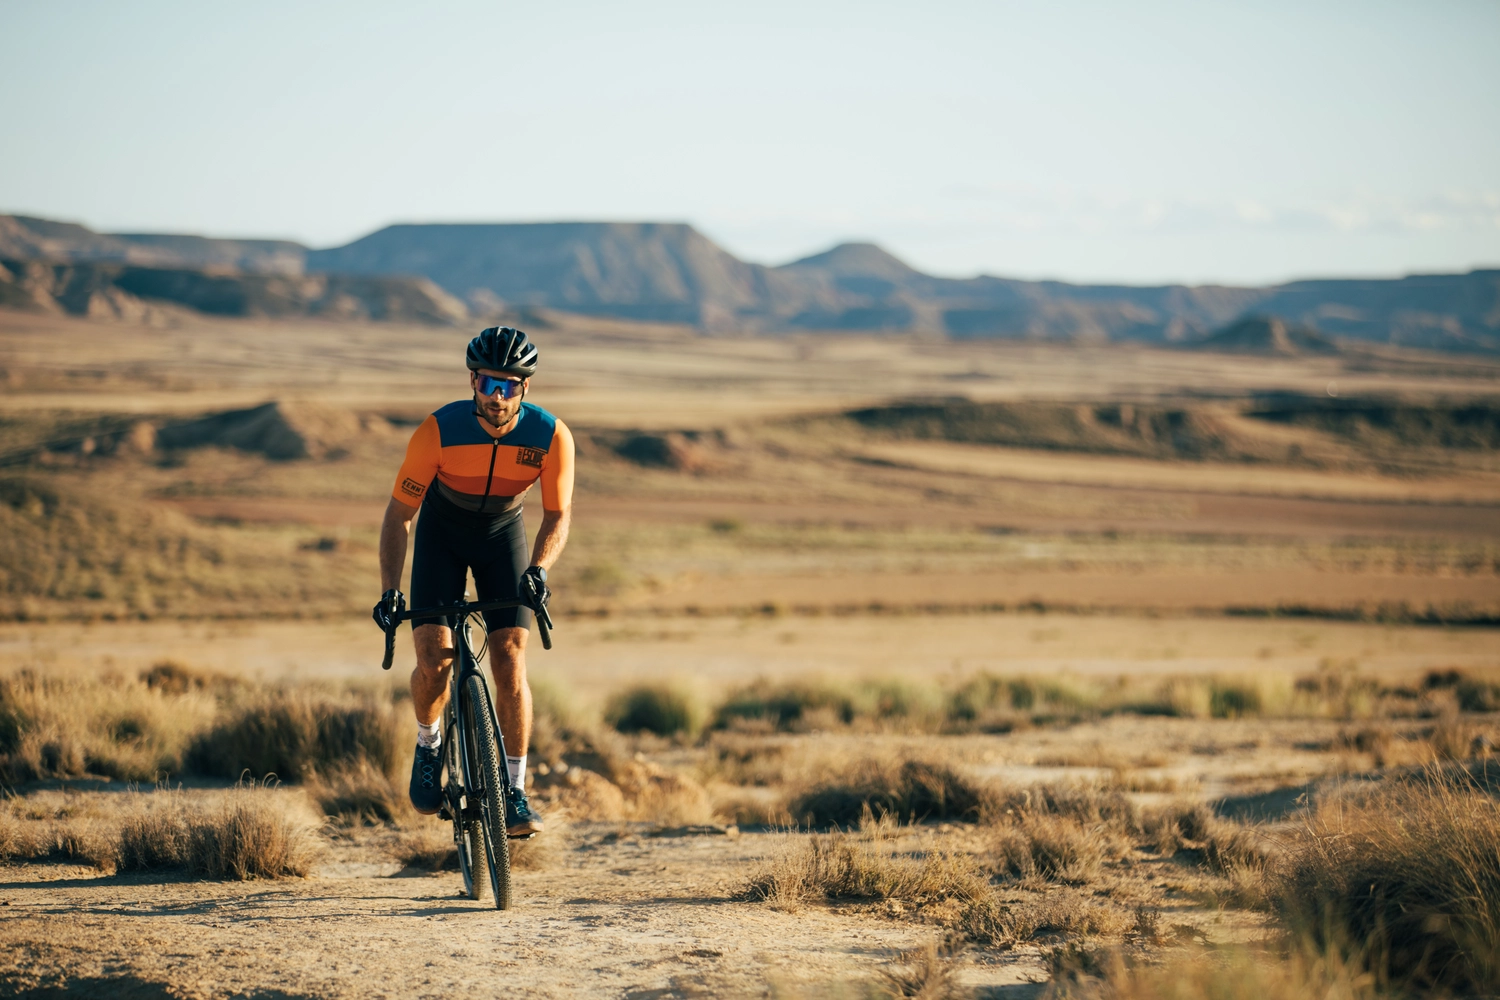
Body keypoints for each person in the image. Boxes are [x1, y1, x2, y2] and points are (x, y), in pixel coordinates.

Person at [372, 327, 574, 837]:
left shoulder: (550, 436)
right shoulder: (438, 431)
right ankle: (429, 744)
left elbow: (558, 515)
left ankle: (515, 790)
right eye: (487, 383)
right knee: (433, 660)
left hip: (503, 534)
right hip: (442, 534)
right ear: (472, 382)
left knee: (509, 658)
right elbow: (400, 514)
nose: (496, 397)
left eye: (508, 386)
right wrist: (390, 588)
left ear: (524, 388)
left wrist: (539, 569)